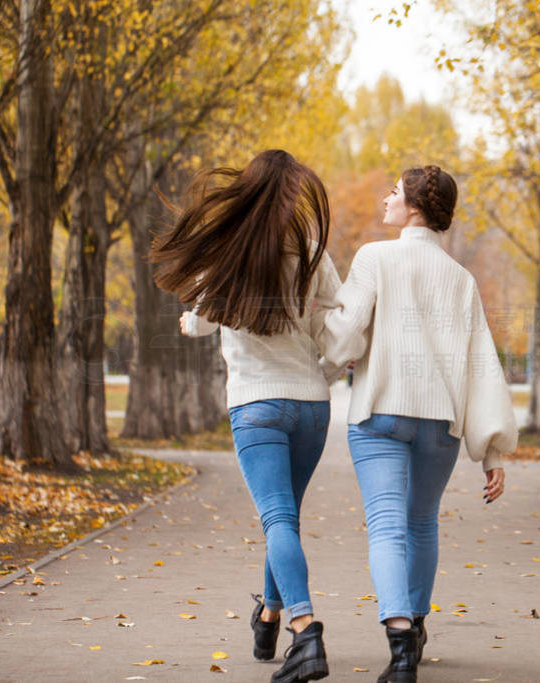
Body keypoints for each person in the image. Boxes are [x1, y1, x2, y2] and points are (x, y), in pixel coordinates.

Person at [314, 165, 518, 683]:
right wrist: (492, 452)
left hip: (380, 412)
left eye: (395, 192)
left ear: (415, 207)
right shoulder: (461, 279)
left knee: (386, 525)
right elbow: (480, 366)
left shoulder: (374, 258)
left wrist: (315, 362)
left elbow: (343, 336)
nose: (386, 198)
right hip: (439, 423)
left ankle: (400, 648)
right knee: (421, 523)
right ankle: (418, 632)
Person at [149, 149, 341, 683]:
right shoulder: (310, 251)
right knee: (286, 519)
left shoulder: (232, 251)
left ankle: (305, 632)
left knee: (277, 519)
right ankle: (269, 616)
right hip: (311, 408)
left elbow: (204, 320)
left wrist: (190, 322)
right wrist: (323, 376)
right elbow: (341, 330)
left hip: (257, 406)